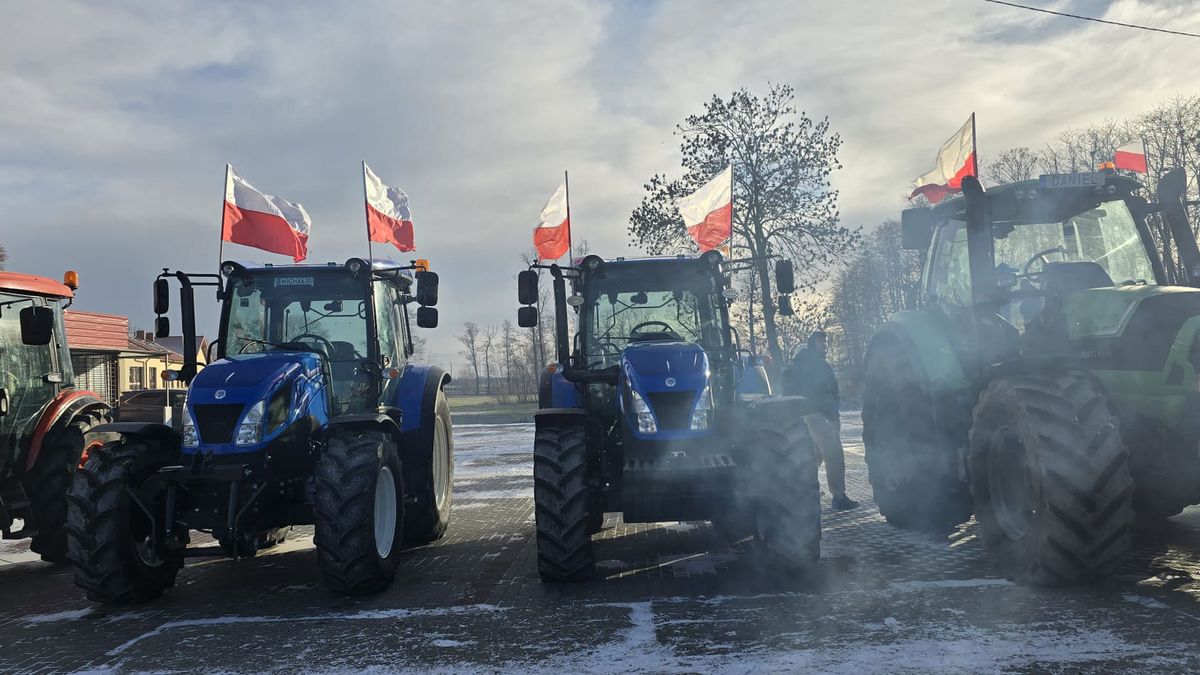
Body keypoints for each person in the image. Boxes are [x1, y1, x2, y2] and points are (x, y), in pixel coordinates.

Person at [784, 331, 859, 510]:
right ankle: (838, 496)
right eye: (820, 341)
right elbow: (819, 390)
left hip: (822, 413)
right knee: (834, 452)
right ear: (812, 343)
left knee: (815, 454)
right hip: (817, 414)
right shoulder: (810, 363)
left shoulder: (814, 362)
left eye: (825, 341)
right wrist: (822, 409)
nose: (824, 345)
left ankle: (803, 490)